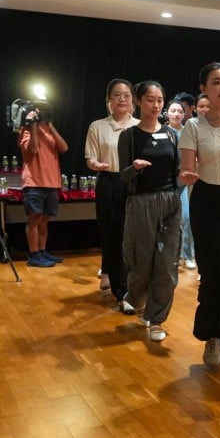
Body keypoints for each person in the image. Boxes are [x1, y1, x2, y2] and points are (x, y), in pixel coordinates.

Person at [179, 62, 220, 368]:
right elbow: (186, 170)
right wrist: (187, 175)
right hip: (208, 201)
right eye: (216, 82)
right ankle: (212, 336)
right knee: (218, 274)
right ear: (203, 89)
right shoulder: (194, 126)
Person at [118, 81, 181, 341]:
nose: (156, 105)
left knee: (167, 265)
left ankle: (157, 320)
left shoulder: (170, 134)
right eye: (150, 100)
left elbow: (176, 169)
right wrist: (135, 167)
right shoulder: (129, 136)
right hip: (141, 202)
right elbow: (123, 176)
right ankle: (134, 297)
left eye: (159, 100)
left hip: (170, 200)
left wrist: (185, 178)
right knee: (141, 262)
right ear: (138, 102)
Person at [86, 80, 139, 298]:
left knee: (129, 233)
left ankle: (126, 281)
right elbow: (90, 157)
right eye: (117, 95)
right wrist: (95, 165)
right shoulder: (97, 126)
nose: (122, 99)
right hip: (108, 181)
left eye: (126, 95)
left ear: (133, 100)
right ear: (109, 100)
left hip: (134, 183)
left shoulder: (139, 125)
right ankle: (110, 273)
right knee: (109, 230)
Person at [19, 102, 69, 267]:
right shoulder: (25, 131)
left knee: (45, 219)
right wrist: (33, 126)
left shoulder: (49, 130)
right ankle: (33, 255)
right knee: (34, 218)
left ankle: (42, 251)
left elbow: (64, 148)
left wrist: (51, 127)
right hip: (34, 181)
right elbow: (33, 149)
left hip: (51, 182)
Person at [165, 100, 196, 270]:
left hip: (184, 180)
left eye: (179, 111)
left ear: (184, 114)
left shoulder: (188, 131)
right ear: (167, 113)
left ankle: (188, 254)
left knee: (186, 218)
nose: (176, 114)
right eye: (173, 110)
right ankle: (171, 256)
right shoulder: (162, 131)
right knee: (169, 219)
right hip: (166, 181)